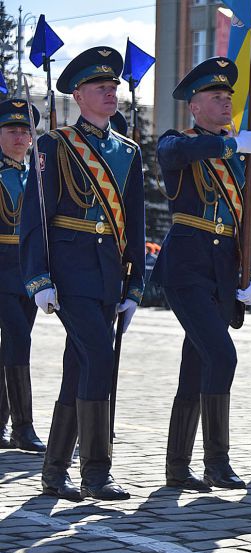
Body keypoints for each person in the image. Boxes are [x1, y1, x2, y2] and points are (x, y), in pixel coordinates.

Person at [22, 47, 146, 500]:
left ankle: (55, 470)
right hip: (69, 272)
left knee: (80, 365)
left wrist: (135, 284)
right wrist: (39, 277)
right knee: (98, 356)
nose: (110, 93)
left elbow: (135, 223)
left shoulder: (127, 151)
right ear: (78, 94)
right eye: (101, 87)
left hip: (109, 274)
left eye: (113, 87)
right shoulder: (54, 145)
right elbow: (34, 215)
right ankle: (96, 471)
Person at [154, 57, 251, 491]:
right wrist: (232, 144)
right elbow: (174, 154)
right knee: (222, 356)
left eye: (228, 97)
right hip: (186, 265)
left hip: (224, 270)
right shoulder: (178, 141)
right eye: (216, 97)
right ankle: (216, 462)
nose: (225, 103)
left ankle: (177, 466)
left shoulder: (245, 159)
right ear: (194, 106)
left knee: (196, 363)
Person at [0, 99, 44, 452]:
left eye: (25, 131)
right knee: (18, 341)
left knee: (13, 345)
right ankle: (23, 427)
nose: (20, 136)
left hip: (27, 270)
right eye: (12, 130)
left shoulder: (37, 177)